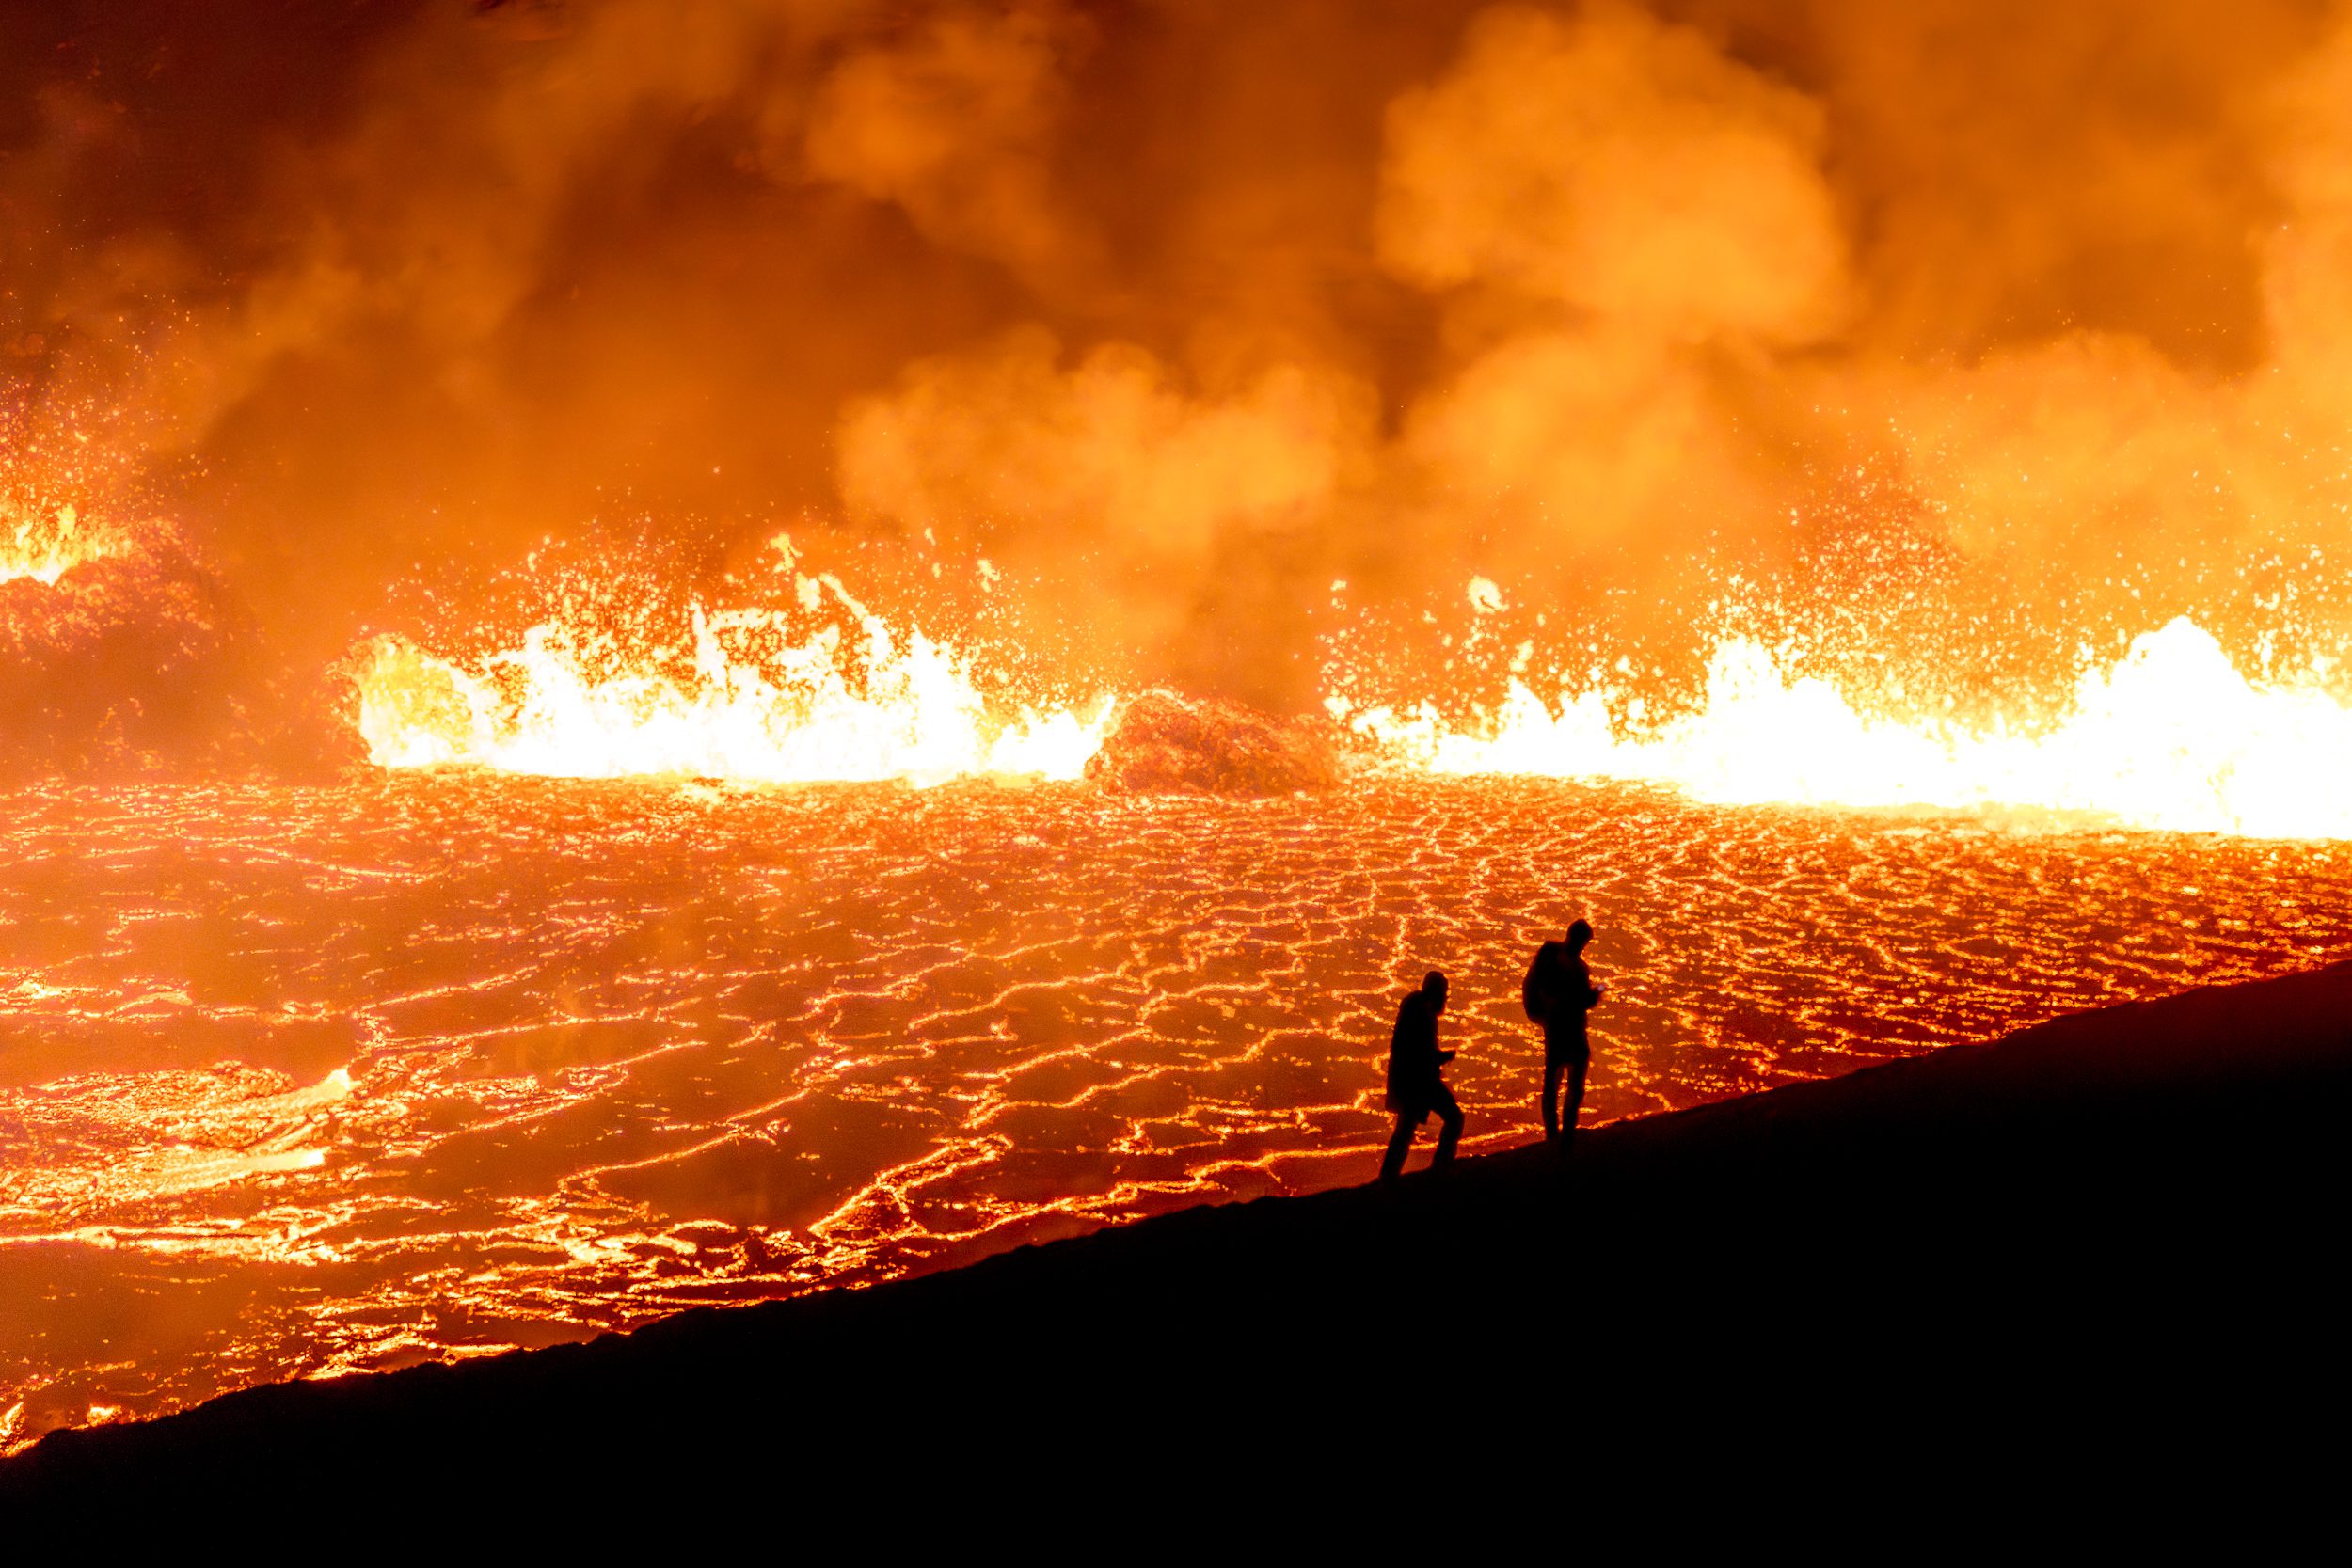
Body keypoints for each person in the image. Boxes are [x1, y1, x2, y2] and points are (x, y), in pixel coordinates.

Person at [1378, 971, 1463, 1180]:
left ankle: (1388, 1178)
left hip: (1408, 1080)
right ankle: (1441, 1168)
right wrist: (1442, 1057)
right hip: (1419, 1082)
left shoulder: (1414, 1008)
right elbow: (1421, 1053)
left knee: (1404, 1131)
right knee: (1454, 1118)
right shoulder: (1424, 1014)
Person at [1523, 919, 1601, 1145]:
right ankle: (1555, 1133)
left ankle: (1564, 1130)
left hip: (1570, 1028)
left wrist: (1589, 998)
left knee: (1567, 1082)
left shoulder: (1574, 965)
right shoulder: (1557, 959)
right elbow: (1552, 993)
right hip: (1560, 1028)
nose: (1582, 946)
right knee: (1555, 1081)